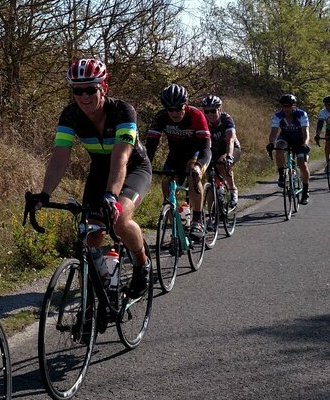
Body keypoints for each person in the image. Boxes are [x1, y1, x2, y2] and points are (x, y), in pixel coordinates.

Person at [31, 58, 153, 298]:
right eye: (78, 90)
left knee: (120, 219)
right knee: (91, 232)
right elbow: (59, 157)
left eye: (90, 89)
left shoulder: (123, 111)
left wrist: (111, 195)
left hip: (133, 168)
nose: (84, 96)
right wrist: (44, 194)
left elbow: (121, 158)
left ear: (103, 87)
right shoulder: (70, 115)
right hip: (100, 170)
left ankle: (142, 264)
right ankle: (100, 287)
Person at [145, 83, 211, 239]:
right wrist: (144, 167)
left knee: (193, 174)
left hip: (196, 153)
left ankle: (197, 220)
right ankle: (177, 232)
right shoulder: (161, 117)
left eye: (178, 108)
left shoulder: (196, 115)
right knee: (166, 185)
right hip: (175, 154)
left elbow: (206, 148)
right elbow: (150, 148)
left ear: (186, 104)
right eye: (170, 109)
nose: (174, 113)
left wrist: (199, 166)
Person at [267, 93, 312, 204]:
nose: (286, 108)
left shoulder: (301, 114)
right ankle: (281, 175)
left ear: (294, 106)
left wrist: (305, 144)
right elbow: (273, 132)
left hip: (300, 139)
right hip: (286, 137)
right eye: (284, 106)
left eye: (289, 106)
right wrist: (271, 143)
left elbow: (305, 132)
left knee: (302, 163)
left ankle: (305, 191)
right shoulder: (278, 115)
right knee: (278, 148)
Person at [200, 94, 241, 210]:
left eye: (213, 111)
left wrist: (229, 156)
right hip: (213, 151)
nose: (210, 114)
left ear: (220, 110)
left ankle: (232, 189)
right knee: (210, 180)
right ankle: (212, 214)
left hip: (231, 148)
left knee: (222, 163)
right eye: (206, 111)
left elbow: (230, 140)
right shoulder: (203, 120)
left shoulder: (226, 119)